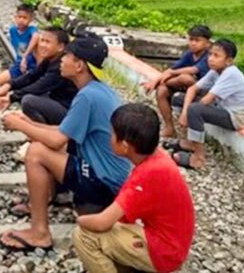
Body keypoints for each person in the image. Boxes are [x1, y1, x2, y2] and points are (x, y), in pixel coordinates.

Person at [0, 36, 132, 252]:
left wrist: (19, 125)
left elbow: (57, 139)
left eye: (67, 56)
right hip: (112, 178)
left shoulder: (87, 96)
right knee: (43, 144)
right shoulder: (97, 90)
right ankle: (50, 198)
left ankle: (39, 233)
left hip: (105, 183)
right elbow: (63, 131)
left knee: (36, 152)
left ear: (79, 66)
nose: (61, 60)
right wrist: (27, 123)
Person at [73, 103, 195, 273]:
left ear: (124, 146)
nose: (109, 137)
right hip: (174, 243)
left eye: (112, 133)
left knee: (83, 236)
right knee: (112, 226)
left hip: (166, 253)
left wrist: (79, 220)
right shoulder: (157, 158)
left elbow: (102, 223)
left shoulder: (146, 176)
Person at [171, 39, 244, 170]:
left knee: (195, 109)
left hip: (236, 117)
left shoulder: (230, 73)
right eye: (210, 54)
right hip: (222, 108)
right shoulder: (215, 71)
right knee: (178, 98)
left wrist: (187, 112)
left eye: (216, 56)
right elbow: (192, 89)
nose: (211, 59)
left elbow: (206, 100)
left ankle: (198, 158)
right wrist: (184, 112)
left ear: (229, 61)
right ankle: (190, 142)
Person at [0, 26, 77, 125]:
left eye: (47, 42)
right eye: (42, 40)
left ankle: (43, 133)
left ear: (60, 47)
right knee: (28, 95)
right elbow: (32, 76)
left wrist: (13, 97)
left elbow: (40, 86)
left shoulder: (62, 65)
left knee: (28, 101)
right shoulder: (50, 59)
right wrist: (10, 84)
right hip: (57, 101)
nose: (42, 45)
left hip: (70, 112)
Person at [143, 25, 212, 138]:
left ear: (207, 43)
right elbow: (171, 69)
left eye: (197, 40)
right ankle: (169, 128)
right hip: (187, 89)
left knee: (185, 78)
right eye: (191, 39)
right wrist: (155, 81)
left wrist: (172, 73)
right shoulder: (189, 54)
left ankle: (164, 83)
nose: (193, 43)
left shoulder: (209, 56)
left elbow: (194, 70)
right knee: (161, 91)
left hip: (203, 91)